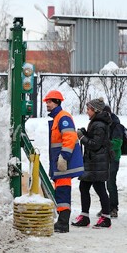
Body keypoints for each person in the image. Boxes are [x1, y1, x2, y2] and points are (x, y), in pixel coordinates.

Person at [43, 90, 84, 233]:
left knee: (63, 192)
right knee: (61, 191)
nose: (47, 104)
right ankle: (62, 222)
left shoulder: (63, 117)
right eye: (47, 102)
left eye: (49, 102)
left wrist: (64, 156)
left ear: (57, 102)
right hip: (60, 162)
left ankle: (63, 223)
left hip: (63, 163)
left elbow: (70, 138)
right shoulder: (57, 118)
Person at [72, 98, 113, 228]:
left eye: (89, 109)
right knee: (84, 187)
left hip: (97, 163)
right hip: (93, 163)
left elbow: (95, 145)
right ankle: (85, 216)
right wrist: (85, 133)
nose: (87, 112)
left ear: (96, 110)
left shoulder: (99, 125)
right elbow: (94, 139)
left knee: (99, 188)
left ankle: (106, 217)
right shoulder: (96, 123)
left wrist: (82, 137)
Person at [102, 104, 123, 218]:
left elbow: (118, 143)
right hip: (105, 157)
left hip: (113, 158)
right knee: (104, 183)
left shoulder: (116, 126)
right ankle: (107, 206)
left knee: (110, 183)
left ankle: (113, 208)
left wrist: (105, 143)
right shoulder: (105, 124)